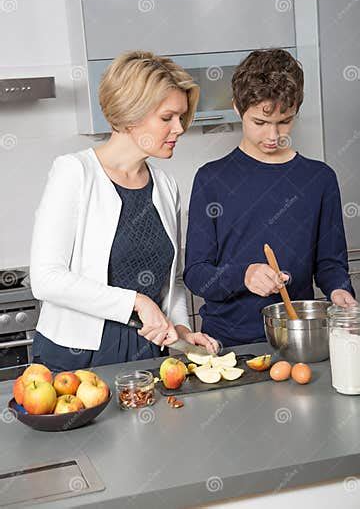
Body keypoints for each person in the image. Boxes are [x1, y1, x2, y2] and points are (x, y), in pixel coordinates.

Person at [30, 50, 219, 372]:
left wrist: (182, 332)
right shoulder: (74, 172)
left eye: (181, 117)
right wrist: (136, 301)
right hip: (77, 354)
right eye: (167, 118)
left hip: (148, 352)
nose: (179, 128)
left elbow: (168, 282)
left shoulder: (164, 185)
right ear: (131, 114)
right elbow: (46, 279)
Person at [184, 48, 357, 348]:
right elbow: (196, 274)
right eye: (260, 123)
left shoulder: (319, 179)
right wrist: (244, 276)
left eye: (285, 121)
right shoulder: (211, 179)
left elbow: (330, 264)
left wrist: (340, 292)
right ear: (237, 109)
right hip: (225, 345)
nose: (273, 136)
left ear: (296, 109)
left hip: (298, 340)